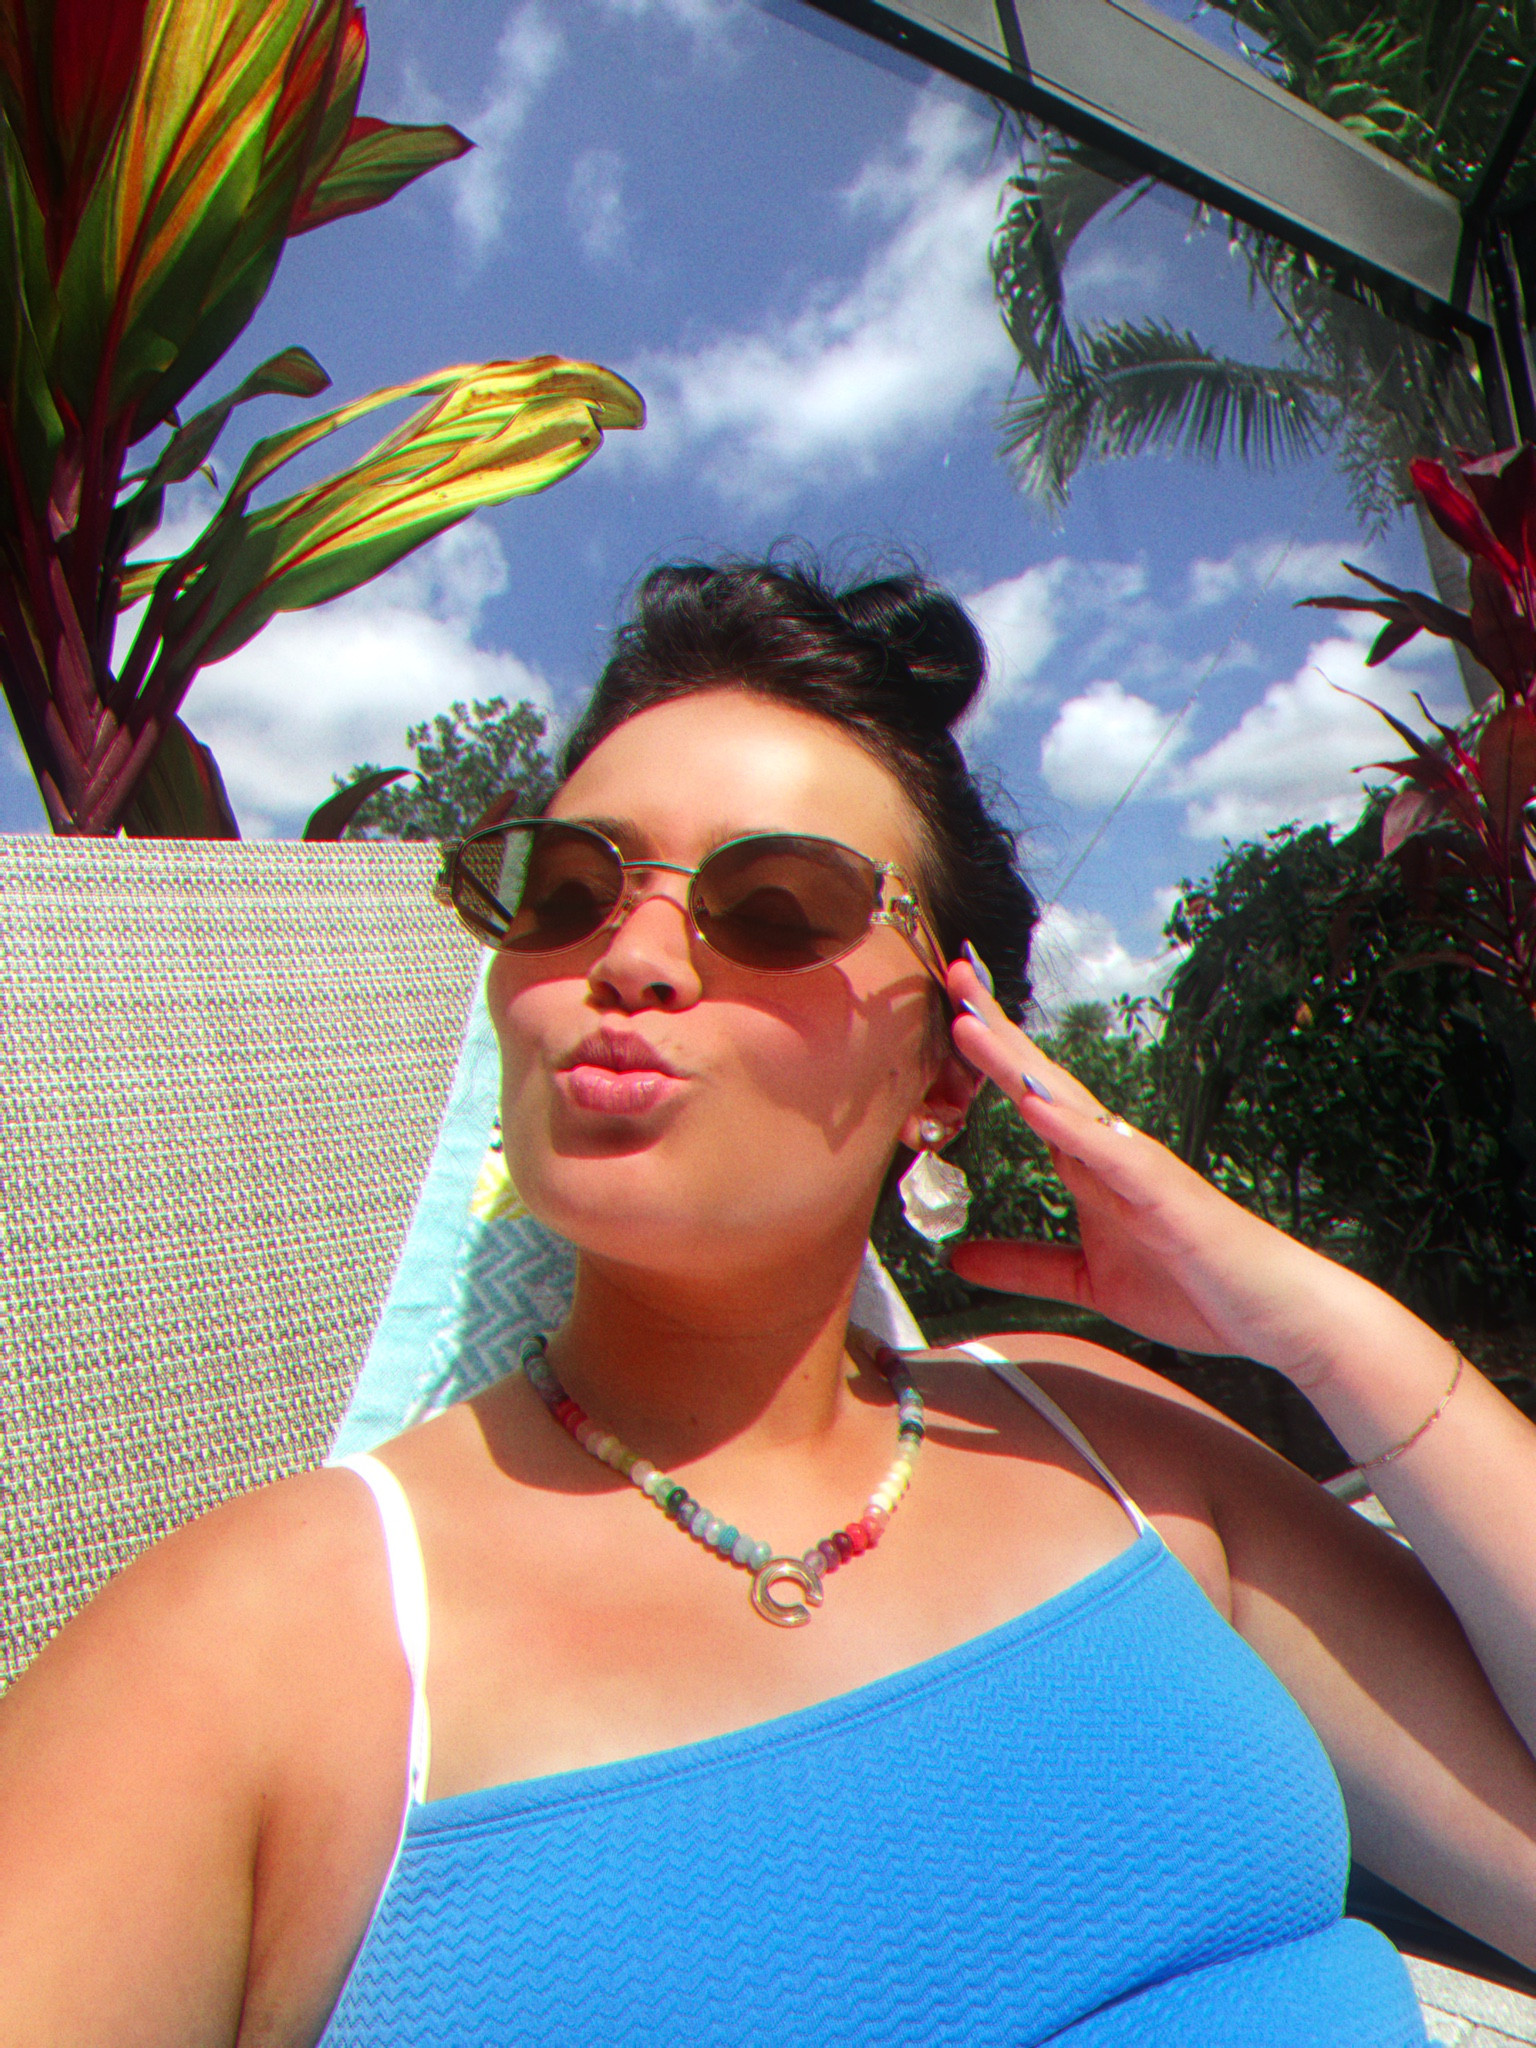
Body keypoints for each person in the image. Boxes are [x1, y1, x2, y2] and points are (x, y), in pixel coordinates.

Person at [2, 559, 1535, 2048]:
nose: (632, 956)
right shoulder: (259, 1642)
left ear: (948, 1069)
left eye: (781, 905)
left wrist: (1308, 1320)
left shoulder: (1099, 1440)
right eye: (568, 890)